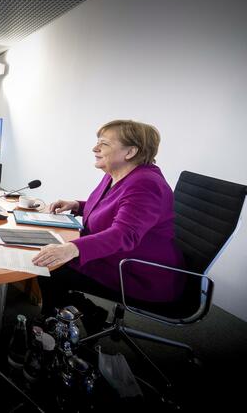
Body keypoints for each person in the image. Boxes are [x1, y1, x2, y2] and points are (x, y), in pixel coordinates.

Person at [33, 120, 185, 322]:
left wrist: (71, 248)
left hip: (137, 272)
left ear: (130, 152)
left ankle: (58, 321)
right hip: (116, 256)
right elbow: (112, 208)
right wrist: (77, 205)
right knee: (51, 259)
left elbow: (124, 233)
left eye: (104, 144)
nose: (95, 148)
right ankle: (83, 313)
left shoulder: (146, 184)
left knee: (52, 267)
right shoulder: (117, 173)